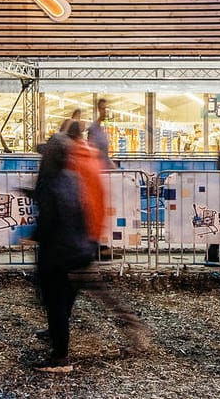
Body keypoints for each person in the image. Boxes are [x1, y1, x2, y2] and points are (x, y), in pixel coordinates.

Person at [29, 121, 149, 373]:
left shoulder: (65, 173)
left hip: (67, 250)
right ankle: (60, 335)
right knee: (83, 295)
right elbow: (87, 206)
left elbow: (56, 213)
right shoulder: (78, 169)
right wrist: (92, 239)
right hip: (82, 244)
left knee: (64, 298)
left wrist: (36, 235)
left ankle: (61, 354)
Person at [86, 99, 115, 171]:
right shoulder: (93, 129)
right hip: (98, 171)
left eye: (106, 109)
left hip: (105, 170)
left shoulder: (101, 130)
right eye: (103, 109)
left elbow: (104, 154)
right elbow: (92, 153)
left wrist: (110, 163)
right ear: (98, 110)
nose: (105, 112)